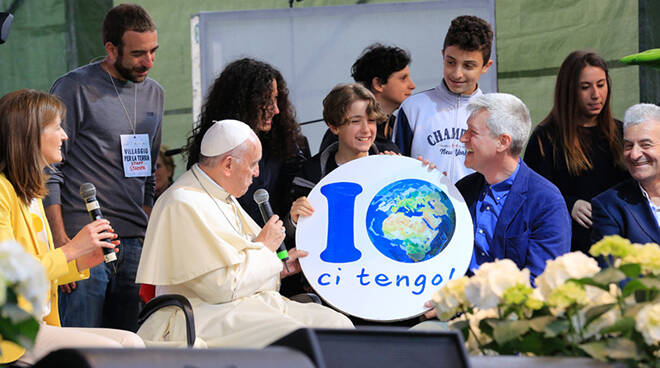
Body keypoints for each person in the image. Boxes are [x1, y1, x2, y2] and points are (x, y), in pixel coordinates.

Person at [136, 120, 353, 348]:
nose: (257, 172)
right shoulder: (183, 201)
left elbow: (240, 268)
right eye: (253, 164)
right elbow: (221, 287)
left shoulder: (222, 195)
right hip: (204, 312)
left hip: (245, 305)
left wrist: (279, 267)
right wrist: (266, 248)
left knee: (338, 325)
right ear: (228, 165)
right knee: (297, 337)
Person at [0, 89, 144, 365]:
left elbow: (40, 268)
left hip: (36, 324)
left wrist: (80, 262)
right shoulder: (3, 192)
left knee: (133, 342)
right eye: (57, 127)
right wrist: (72, 249)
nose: (65, 135)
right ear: (30, 135)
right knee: (115, 352)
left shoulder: (30, 194)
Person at [44, 3, 163, 332]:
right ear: (111, 49)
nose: (148, 62)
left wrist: (144, 220)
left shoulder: (155, 93)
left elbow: (150, 170)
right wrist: (61, 242)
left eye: (153, 51)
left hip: (134, 242)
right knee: (84, 343)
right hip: (84, 240)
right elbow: (49, 169)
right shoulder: (75, 87)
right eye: (139, 54)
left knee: (129, 343)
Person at [455, 93, 571, 280]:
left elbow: (542, 280)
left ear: (502, 142)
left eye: (472, 132)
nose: (463, 138)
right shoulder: (463, 190)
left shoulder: (546, 201)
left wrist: (474, 301)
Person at [524, 51, 629, 254]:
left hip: (617, 246)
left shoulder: (621, 132)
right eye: (585, 87)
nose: (596, 95)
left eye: (601, 84)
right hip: (569, 249)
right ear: (569, 90)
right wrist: (568, 203)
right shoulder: (545, 139)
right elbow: (532, 194)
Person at [185, 58, 309, 227]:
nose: (276, 110)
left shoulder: (284, 145)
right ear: (243, 103)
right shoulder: (211, 148)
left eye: (276, 99)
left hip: (277, 247)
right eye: (266, 101)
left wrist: (291, 222)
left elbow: (297, 202)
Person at [393, 15, 494, 184]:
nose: (457, 73)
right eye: (451, 62)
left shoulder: (493, 113)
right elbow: (396, 169)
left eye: (468, 65)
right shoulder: (413, 108)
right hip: (421, 208)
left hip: (473, 209)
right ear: (443, 55)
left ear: (486, 66)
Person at [319, 43, 415, 151]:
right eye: (403, 78)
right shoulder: (343, 134)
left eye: (371, 120)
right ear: (378, 84)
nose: (412, 86)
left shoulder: (399, 125)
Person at [592, 103, 660, 245]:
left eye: (645, 144)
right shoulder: (609, 206)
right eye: (628, 146)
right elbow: (609, 265)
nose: (634, 155)